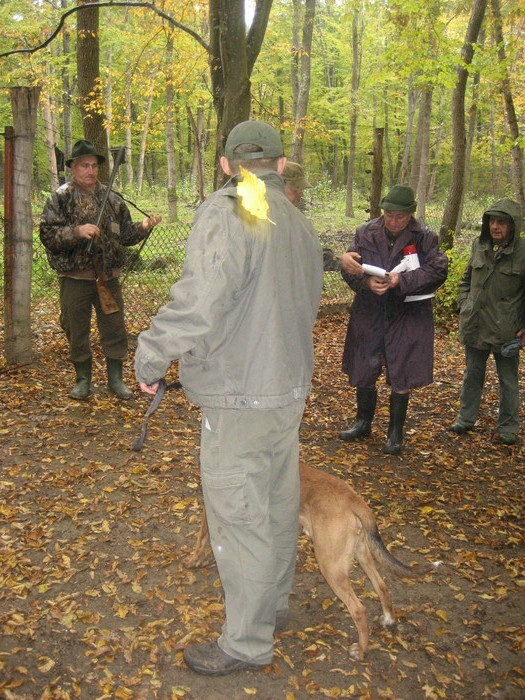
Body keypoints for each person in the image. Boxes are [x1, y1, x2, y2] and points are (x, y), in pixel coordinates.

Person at [134, 121, 323, 675]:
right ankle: (271, 607)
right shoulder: (296, 221)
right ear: (280, 165)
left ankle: (246, 642)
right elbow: (304, 304)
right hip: (285, 389)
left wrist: (151, 353)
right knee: (275, 502)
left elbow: (201, 299)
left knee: (239, 516)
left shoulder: (230, 209)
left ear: (226, 166)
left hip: (242, 394)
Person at [40, 139, 161, 400]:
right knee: (76, 328)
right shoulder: (59, 198)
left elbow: (126, 235)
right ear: (73, 167)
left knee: (114, 328)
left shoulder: (113, 200)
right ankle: (82, 380)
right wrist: (76, 231)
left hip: (108, 277)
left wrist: (144, 226)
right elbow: (47, 235)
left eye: (94, 166)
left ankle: (115, 380)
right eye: (84, 165)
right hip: (75, 278)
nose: (90, 171)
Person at [339, 185, 448, 454]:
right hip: (370, 310)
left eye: (400, 216)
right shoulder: (365, 232)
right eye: (389, 215)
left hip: (407, 313)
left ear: (410, 214)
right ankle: (363, 422)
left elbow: (438, 270)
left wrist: (403, 280)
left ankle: (395, 433)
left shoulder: (424, 237)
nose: (394, 221)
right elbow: (350, 267)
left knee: (403, 369)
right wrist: (365, 282)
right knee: (365, 365)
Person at [449, 198, 525, 445]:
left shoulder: (522, 253)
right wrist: (464, 304)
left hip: (507, 330)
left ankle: (508, 427)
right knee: (472, 374)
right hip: (476, 325)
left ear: (513, 226)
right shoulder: (479, 246)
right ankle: (466, 418)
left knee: (508, 381)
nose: (495, 227)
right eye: (492, 221)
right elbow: (465, 280)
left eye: (502, 222)